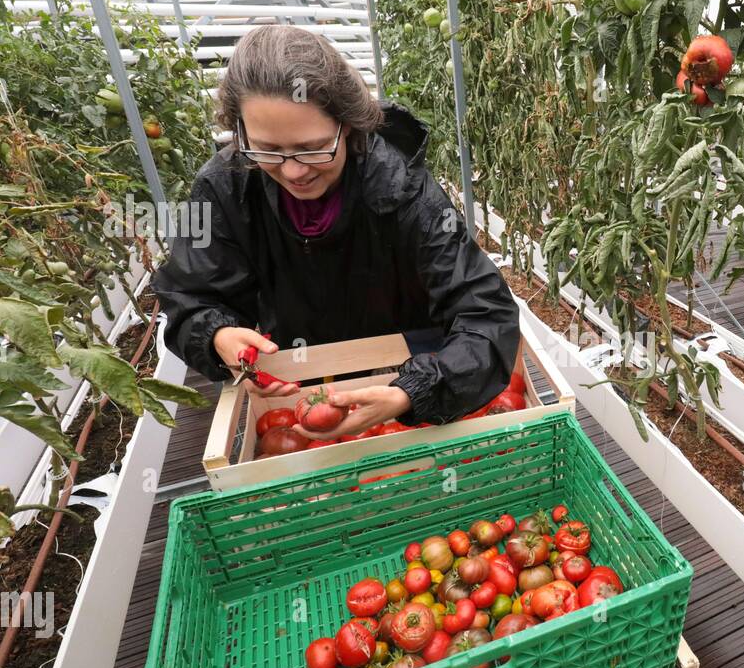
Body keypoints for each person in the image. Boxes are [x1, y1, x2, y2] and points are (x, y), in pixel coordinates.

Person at [153, 25, 519, 437]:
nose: (293, 171)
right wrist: (216, 334)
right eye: (267, 149)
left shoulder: (402, 188)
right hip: (299, 379)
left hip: (408, 369)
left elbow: (486, 312)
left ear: (349, 125)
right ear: (240, 131)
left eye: (314, 147)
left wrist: (411, 391)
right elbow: (189, 297)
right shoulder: (223, 187)